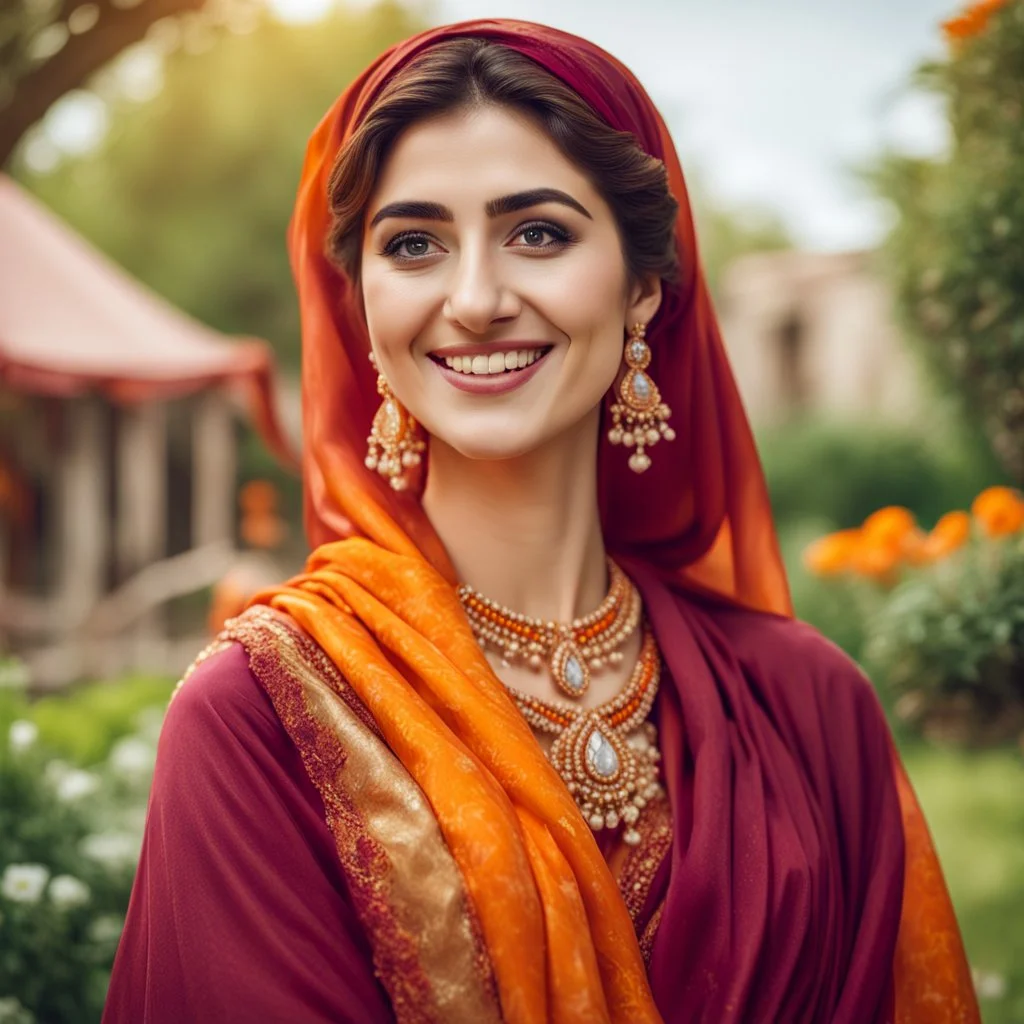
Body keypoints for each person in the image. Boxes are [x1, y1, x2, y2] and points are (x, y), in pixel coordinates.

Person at [103, 19, 980, 1024]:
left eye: (539, 233)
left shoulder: (806, 706)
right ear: (361, 310)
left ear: (642, 287)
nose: (475, 299)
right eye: (415, 244)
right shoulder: (266, 718)